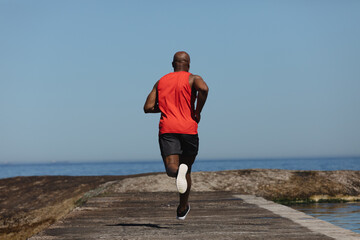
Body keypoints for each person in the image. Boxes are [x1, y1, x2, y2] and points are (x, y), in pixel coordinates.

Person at [143, 51, 209, 220]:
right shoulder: (193, 78)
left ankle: (178, 173)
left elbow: (148, 107)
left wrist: (165, 107)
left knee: (173, 168)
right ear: (189, 64)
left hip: (168, 129)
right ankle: (182, 206)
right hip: (189, 129)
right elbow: (204, 89)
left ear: (172, 64)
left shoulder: (161, 81)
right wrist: (197, 111)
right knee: (186, 171)